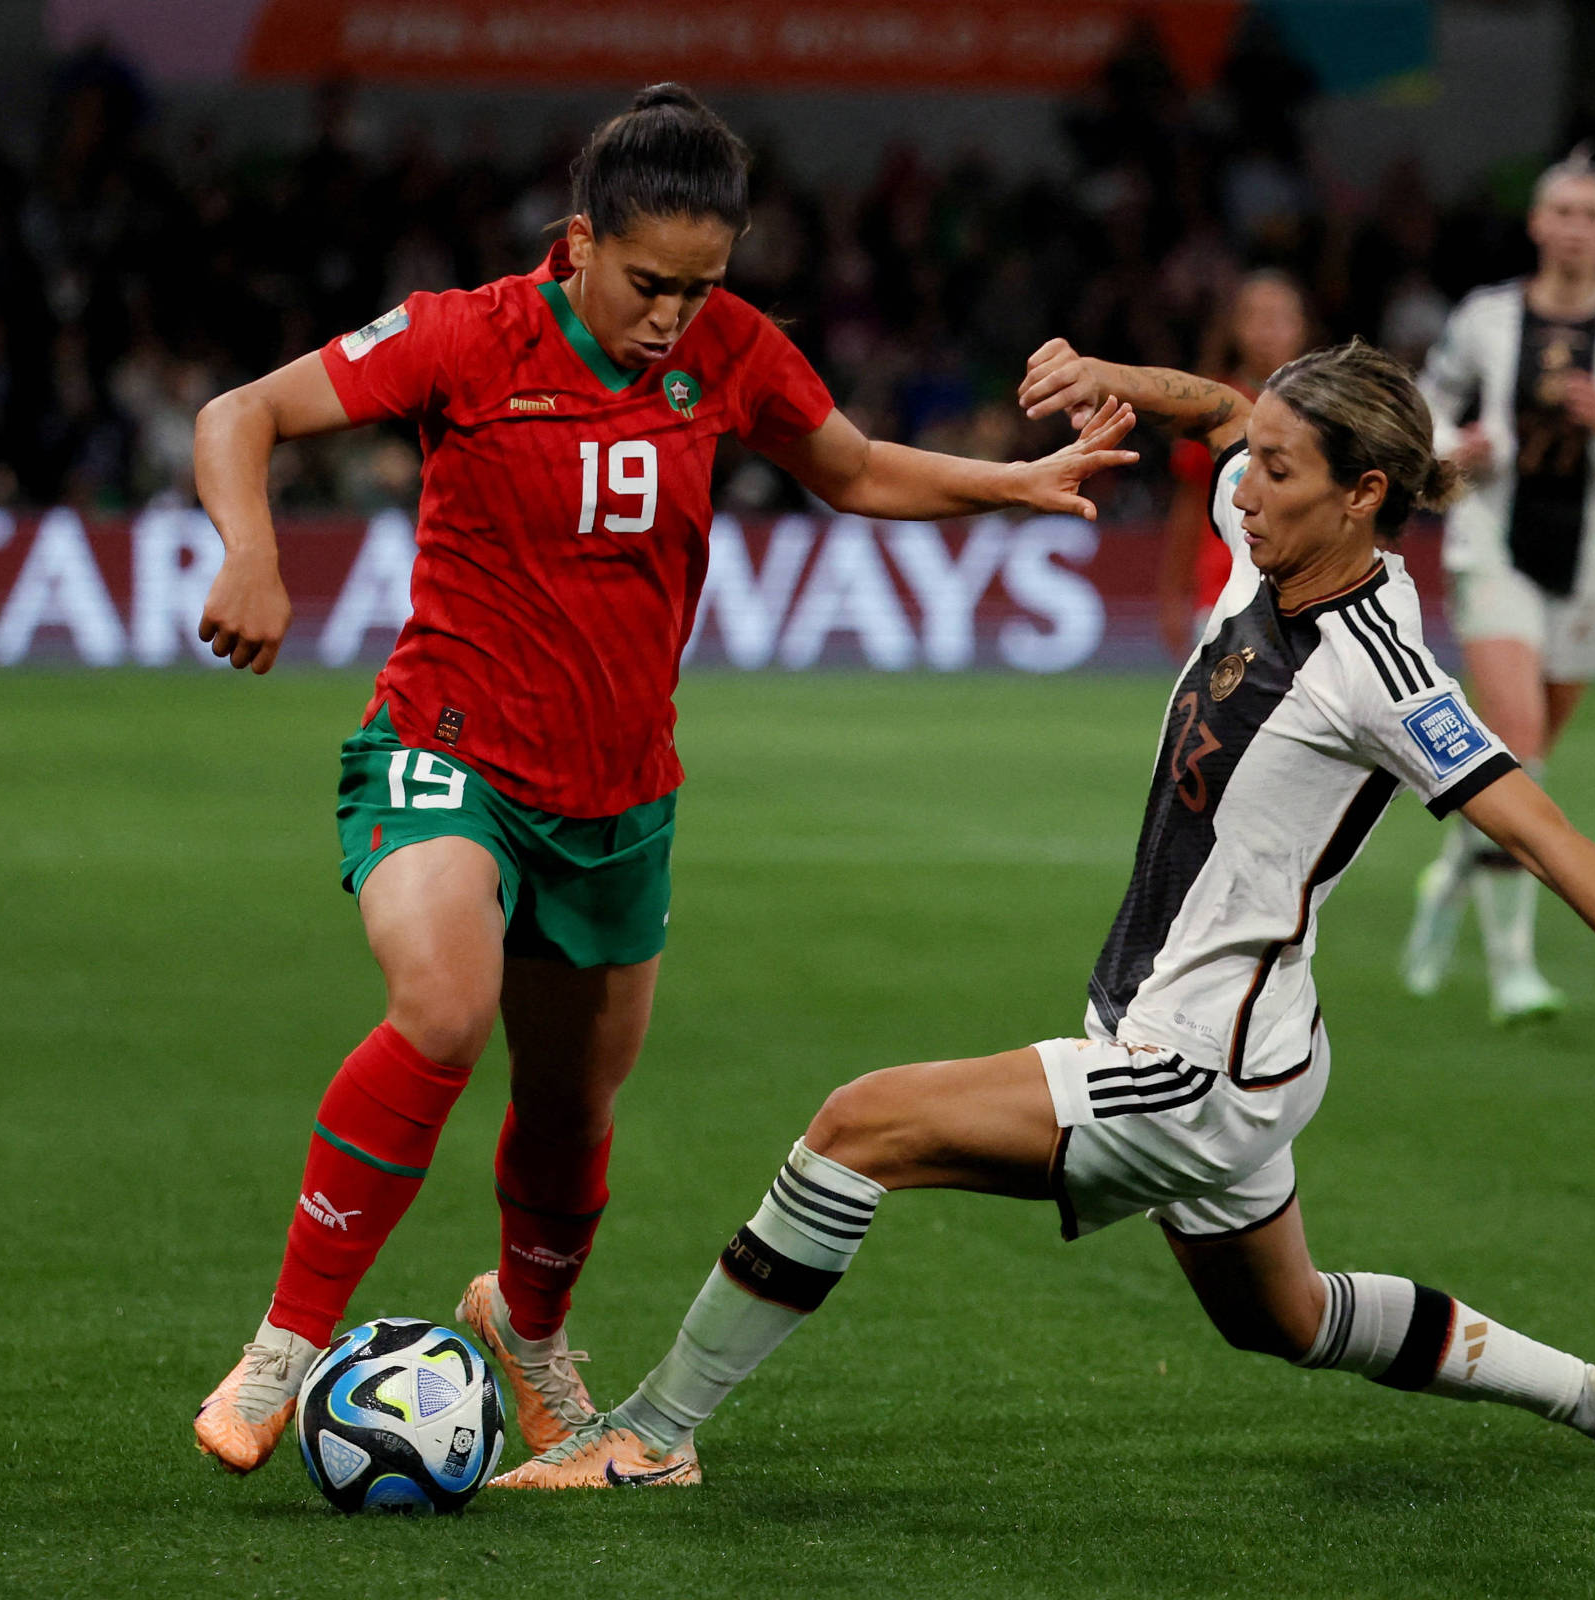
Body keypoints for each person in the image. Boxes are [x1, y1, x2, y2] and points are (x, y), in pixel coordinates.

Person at [492, 338, 1595, 1490]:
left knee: (857, 1128)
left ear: (1364, 497)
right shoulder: (1278, 535)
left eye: (1282, 471)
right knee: (1281, 1320)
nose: (1248, 483)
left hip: (1194, 1070)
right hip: (1245, 1036)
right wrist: (1113, 381)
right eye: (1258, 461)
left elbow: (1547, 832)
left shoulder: (1382, 671)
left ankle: (652, 1436)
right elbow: (1227, 406)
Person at [187, 84, 1139, 1475]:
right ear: (578, 242)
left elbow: (854, 468)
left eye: (702, 288)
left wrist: (1010, 484)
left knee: (572, 1110)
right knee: (445, 1010)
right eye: (649, 283)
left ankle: (526, 1327)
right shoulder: (468, 333)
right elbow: (240, 413)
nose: (672, 317)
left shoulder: (731, 351)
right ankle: (282, 1351)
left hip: (619, 798)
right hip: (445, 750)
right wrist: (249, 554)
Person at [1402, 151, 1595, 1023]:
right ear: (1537, 225)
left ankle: (1453, 874)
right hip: (1491, 550)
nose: (1576, 229)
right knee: (1520, 745)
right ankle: (1513, 972)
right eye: (1562, 213)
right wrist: (1458, 452)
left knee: (1522, 771)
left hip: (1593, 568)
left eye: (1592, 215)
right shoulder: (1487, 319)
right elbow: (1418, 419)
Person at [1156, 271, 1313, 657]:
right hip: (1224, 595)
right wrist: (1173, 596)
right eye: (1255, 317)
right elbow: (1189, 510)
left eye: (1279, 318)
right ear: (1235, 328)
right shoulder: (1212, 407)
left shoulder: (1328, 409)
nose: (1267, 331)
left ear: (1302, 328)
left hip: (1311, 598)